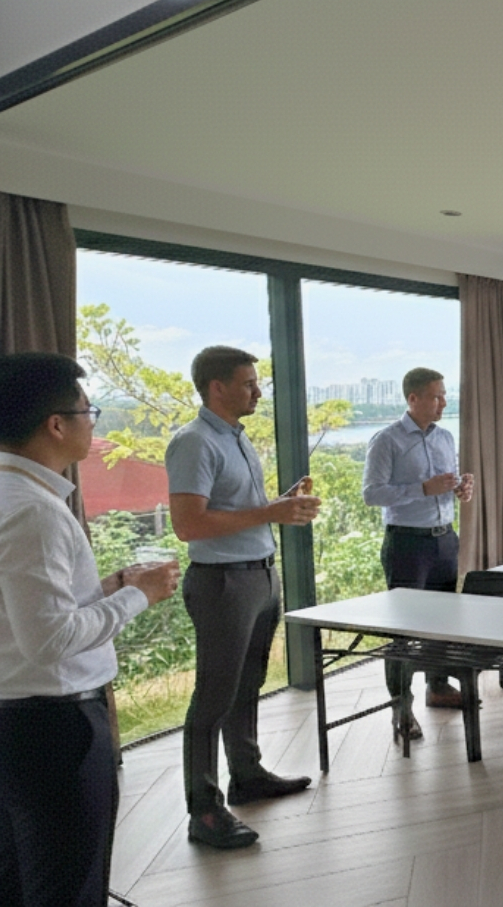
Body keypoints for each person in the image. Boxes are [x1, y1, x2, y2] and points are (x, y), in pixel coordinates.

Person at [0, 352, 181, 907]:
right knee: (68, 891)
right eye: (88, 410)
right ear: (56, 424)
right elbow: (48, 641)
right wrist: (136, 597)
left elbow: (15, 607)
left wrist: (114, 583)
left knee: (11, 884)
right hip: (49, 732)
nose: (94, 424)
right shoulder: (32, 510)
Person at [166, 346, 319, 849]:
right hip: (223, 583)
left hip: (258, 577)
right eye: (250, 383)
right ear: (217, 388)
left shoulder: (235, 439)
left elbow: (239, 510)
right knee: (212, 696)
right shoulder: (193, 442)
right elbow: (189, 525)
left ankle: (247, 775)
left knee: (246, 686)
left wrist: (278, 503)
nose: (258, 391)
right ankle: (204, 810)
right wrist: (270, 513)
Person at [362, 367, 475, 741]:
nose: (444, 402)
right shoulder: (387, 441)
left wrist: (462, 488)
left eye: (445, 395)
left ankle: (438, 687)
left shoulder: (445, 437)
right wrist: (421, 489)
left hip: (444, 540)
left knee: (443, 623)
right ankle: (401, 709)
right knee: (404, 632)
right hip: (407, 545)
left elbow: (450, 481)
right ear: (413, 399)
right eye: (436, 396)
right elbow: (372, 494)